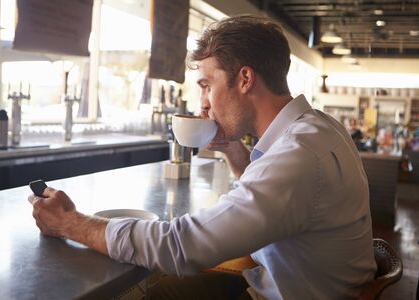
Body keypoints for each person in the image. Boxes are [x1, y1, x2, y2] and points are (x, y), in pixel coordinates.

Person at [28, 15, 376, 299]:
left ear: (244, 79)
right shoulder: (318, 127)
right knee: (159, 292)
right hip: (288, 284)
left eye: (207, 85)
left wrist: (71, 223)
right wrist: (231, 148)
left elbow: (182, 247)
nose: (202, 104)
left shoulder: (298, 156)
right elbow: (275, 201)